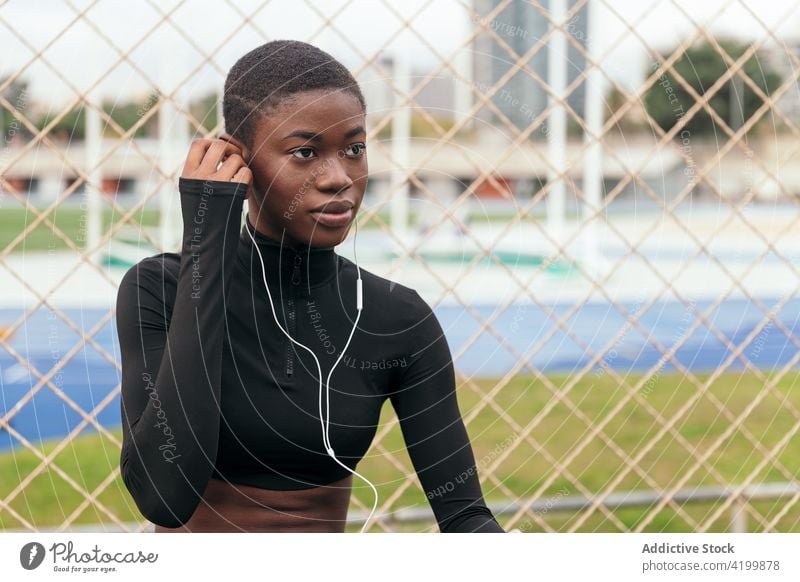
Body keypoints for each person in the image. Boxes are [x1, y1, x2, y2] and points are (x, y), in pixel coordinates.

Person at [115, 39, 505, 533]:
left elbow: (466, 516)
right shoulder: (159, 289)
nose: (339, 177)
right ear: (240, 160)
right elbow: (162, 495)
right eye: (305, 153)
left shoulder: (398, 319)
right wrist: (206, 235)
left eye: (355, 149)